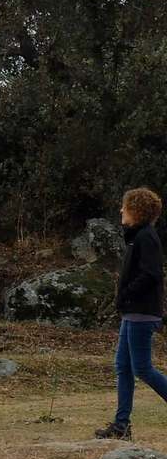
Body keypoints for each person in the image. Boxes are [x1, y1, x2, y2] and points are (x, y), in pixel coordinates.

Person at [96, 187, 167, 440]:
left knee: (142, 369)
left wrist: (126, 294)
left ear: (136, 210)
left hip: (142, 313)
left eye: (124, 206)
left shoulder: (146, 237)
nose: (121, 210)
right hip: (133, 313)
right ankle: (121, 425)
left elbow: (152, 274)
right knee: (123, 366)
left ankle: (121, 425)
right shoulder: (137, 236)